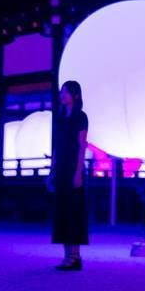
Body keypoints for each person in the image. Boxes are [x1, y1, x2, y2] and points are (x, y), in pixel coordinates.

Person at [51, 80, 89, 270]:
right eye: (61, 92)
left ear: (75, 95)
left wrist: (78, 172)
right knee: (63, 212)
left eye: (66, 92)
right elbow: (56, 146)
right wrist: (52, 168)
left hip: (74, 166)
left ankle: (75, 256)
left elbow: (82, 146)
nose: (62, 95)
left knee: (74, 211)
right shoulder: (59, 117)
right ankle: (67, 255)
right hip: (61, 168)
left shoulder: (80, 117)